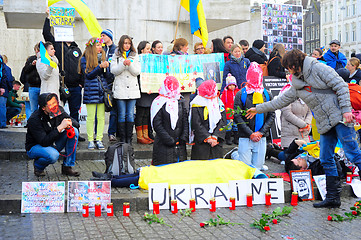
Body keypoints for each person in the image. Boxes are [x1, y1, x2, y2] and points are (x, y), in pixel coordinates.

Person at [245, 49, 361, 208]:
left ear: (294, 64)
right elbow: (281, 101)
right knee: (326, 158)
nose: (287, 71)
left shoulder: (318, 68)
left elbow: (341, 85)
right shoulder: (297, 83)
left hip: (340, 117)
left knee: (353, 153)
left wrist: (347, 110)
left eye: (288, 67)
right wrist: (258, 108)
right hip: (324, 123)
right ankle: (333, 197)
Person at [43, 12, 83, 132]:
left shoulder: (77, 49)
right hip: (62, 86)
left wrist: (82, 83)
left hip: (76, 87)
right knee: (58, 111)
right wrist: (48, 18)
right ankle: (59, 131)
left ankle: (75, 132)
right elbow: (46, 33)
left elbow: (82, 67)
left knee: (75, 111)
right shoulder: (57, 45)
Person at [232, 62, 275, 171]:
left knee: (258, 167)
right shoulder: (241, 94)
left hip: (261, 136)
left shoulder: (266, 94)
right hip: (246, 136)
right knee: (245, 168)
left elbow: (271, 115)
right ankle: (235, 155)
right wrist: (250, 134)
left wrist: (261, 132)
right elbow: (237, 116)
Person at [26, 93, 80, 177]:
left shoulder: (58, 111)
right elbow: (44, 141)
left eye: (55, 103)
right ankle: (38, 166)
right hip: (35, 146)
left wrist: (70, 123)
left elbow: (76, 123)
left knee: (74, 131)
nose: (54, 106)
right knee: (53, 155)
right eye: (51, 104)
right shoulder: (34, 119)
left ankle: (67, 166)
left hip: (52, 141)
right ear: (43, 108)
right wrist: (60, 127)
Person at [79, 37, 110, 150]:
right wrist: (100, 67)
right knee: (91, 117)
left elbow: (107, 77)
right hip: (91, 91)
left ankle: (99, 139)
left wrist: (107, 68)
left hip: (101, 91)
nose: (100, 48)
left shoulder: (103, 58)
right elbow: (88, 75)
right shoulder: (84, 59)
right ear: (92, 47)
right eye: (97, 45)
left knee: (101, 117)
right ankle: (91, 140)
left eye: (101, 46)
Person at [150, 76, 189, 165]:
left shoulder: (180, 101)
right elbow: (157, 124)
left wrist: (184, 137)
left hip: (180, 146)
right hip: (163, 146)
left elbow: (185, 120)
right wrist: (169, 140)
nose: (173, 89)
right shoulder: (158, 102)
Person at [110, 35, 141, 144]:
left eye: (128, 43)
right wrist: (123, 65)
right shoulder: (116, 55)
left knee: (130, 114)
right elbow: (113, 70)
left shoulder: (135, 55)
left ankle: (129, 138)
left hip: (132, 89)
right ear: (121, 44)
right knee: (122, 114)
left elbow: (137, 72)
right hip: (120, 89)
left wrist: (130, 65)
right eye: (125, 43)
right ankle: (123, 138)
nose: (127, 45)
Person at [189, 80, 226, 160]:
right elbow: (196, 123)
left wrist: (215, 136)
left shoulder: (218, 102)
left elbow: (223, 121)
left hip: (216, 143)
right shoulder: (197, 102)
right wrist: (208, 137)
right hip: (202, 143)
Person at [279, 80, 312, 149]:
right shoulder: (286, 93)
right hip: (290, 135)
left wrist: (307, 123)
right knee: (290, 157)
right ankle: (273, 151)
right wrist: (303, 125)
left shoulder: (306, 94)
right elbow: (287, 113)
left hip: (304, 135)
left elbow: (310, 112)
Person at [101, 29, 118, 142]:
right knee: (101, 110)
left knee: (114, 110)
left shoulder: (116, 49)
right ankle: (98, 135)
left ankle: (111, 132)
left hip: (113, 82)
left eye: (104, 35)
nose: (102, 37)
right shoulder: (101, 49)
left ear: (109, 37)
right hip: (102, 82)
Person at [135, 41, 153, 144]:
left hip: (149, 90)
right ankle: (139, 135)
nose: (149, 51)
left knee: (147, 113)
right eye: (147, 49)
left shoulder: (151, 60)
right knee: (140, 113)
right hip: (141, 89)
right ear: (142, 50)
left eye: (150, 49)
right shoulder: (138, 60)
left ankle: (145, 135)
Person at [20, 43, 41, 119]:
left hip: (43, 86)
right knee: (32, 107)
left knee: (41, 107)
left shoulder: (46, 59)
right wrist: (32, 65)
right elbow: (25, 70)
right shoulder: (31, 59)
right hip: (32, 86)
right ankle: (31, 122)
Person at [220, 74, 240, 145]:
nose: (232, 87)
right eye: (230, 85)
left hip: (236, 113)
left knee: (236, 126)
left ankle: (236, 139)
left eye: (233, 85)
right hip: (228, 113)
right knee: (229, 126)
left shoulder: (238, 92)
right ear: (227, 85)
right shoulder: (225, 93)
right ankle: (228, 139)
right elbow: (223, 103)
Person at [0, 55, 12, 128]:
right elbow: (8, 79)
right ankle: (2, 123)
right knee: (2, 107)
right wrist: (9, 88)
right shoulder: (7, 68)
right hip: (4, 89)